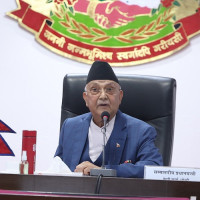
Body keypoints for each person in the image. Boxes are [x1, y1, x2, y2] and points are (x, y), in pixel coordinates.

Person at [55, 61, 163, 178]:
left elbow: (153, 168)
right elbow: (57, 166)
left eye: (109, 89)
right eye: (95, 90)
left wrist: (103, 170)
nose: (103, 96)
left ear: (120, 96)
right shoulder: (70, 126)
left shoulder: (142, 131)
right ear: (86, 98)